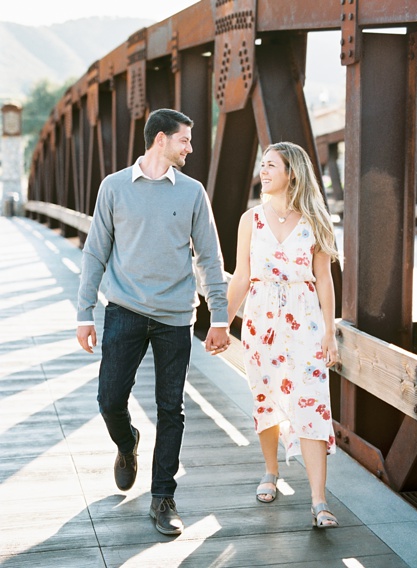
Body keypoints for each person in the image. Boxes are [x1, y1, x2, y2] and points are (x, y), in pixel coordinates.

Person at [76, 108, 231, 536]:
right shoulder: (114, 188)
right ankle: (127, 445)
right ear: (160, 139)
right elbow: (94, 253)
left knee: (171, 408)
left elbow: (210, 258)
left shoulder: (193, 192)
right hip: (124, 309)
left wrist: (219, 315)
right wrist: (84, 311)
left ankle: (163, 496)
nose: (191, 148)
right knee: (109, 399)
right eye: (185, 140)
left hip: (176, 317)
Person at [224, 142, 339, 527]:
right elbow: (241, 276)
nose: (263, 171)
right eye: (263, 164)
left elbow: (324, 280)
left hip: (305, 320)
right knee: (266, 398)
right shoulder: (250, 220)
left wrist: (330, 332)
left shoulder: (316, 220)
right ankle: (271, 471)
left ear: (292, 172)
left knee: (311, 403)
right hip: (261, 320)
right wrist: (221, 323)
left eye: (271, 165)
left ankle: (319, 501)